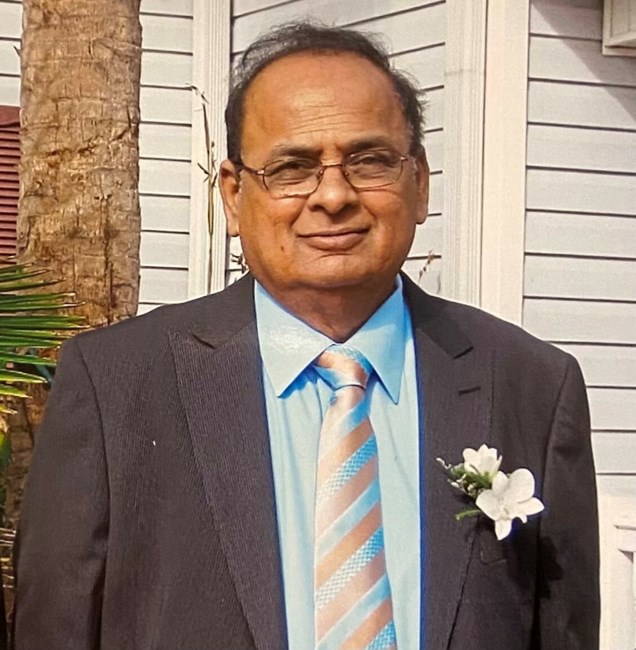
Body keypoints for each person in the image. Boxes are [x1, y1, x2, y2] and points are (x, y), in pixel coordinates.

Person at [12, 22, 599, 650]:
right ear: (233, 196)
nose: (334, 195)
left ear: (420, 183)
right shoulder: (117, 386)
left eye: (369, 161)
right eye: (292, 168)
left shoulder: (531, 386)